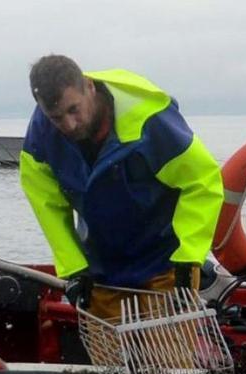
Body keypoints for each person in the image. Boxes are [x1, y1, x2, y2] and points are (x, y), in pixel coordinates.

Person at [19, 54, 223, 322]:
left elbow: (202, 181)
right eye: (56, 117)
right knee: (109, 362)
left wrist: (189, 257)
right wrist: (73, 267)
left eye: (73, 110)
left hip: (164, 262)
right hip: (102, 269)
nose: (68, 125)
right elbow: (47, 204)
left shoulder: (149, 119)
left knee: (170, 359)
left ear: (89, 87)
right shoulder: (42, 134)